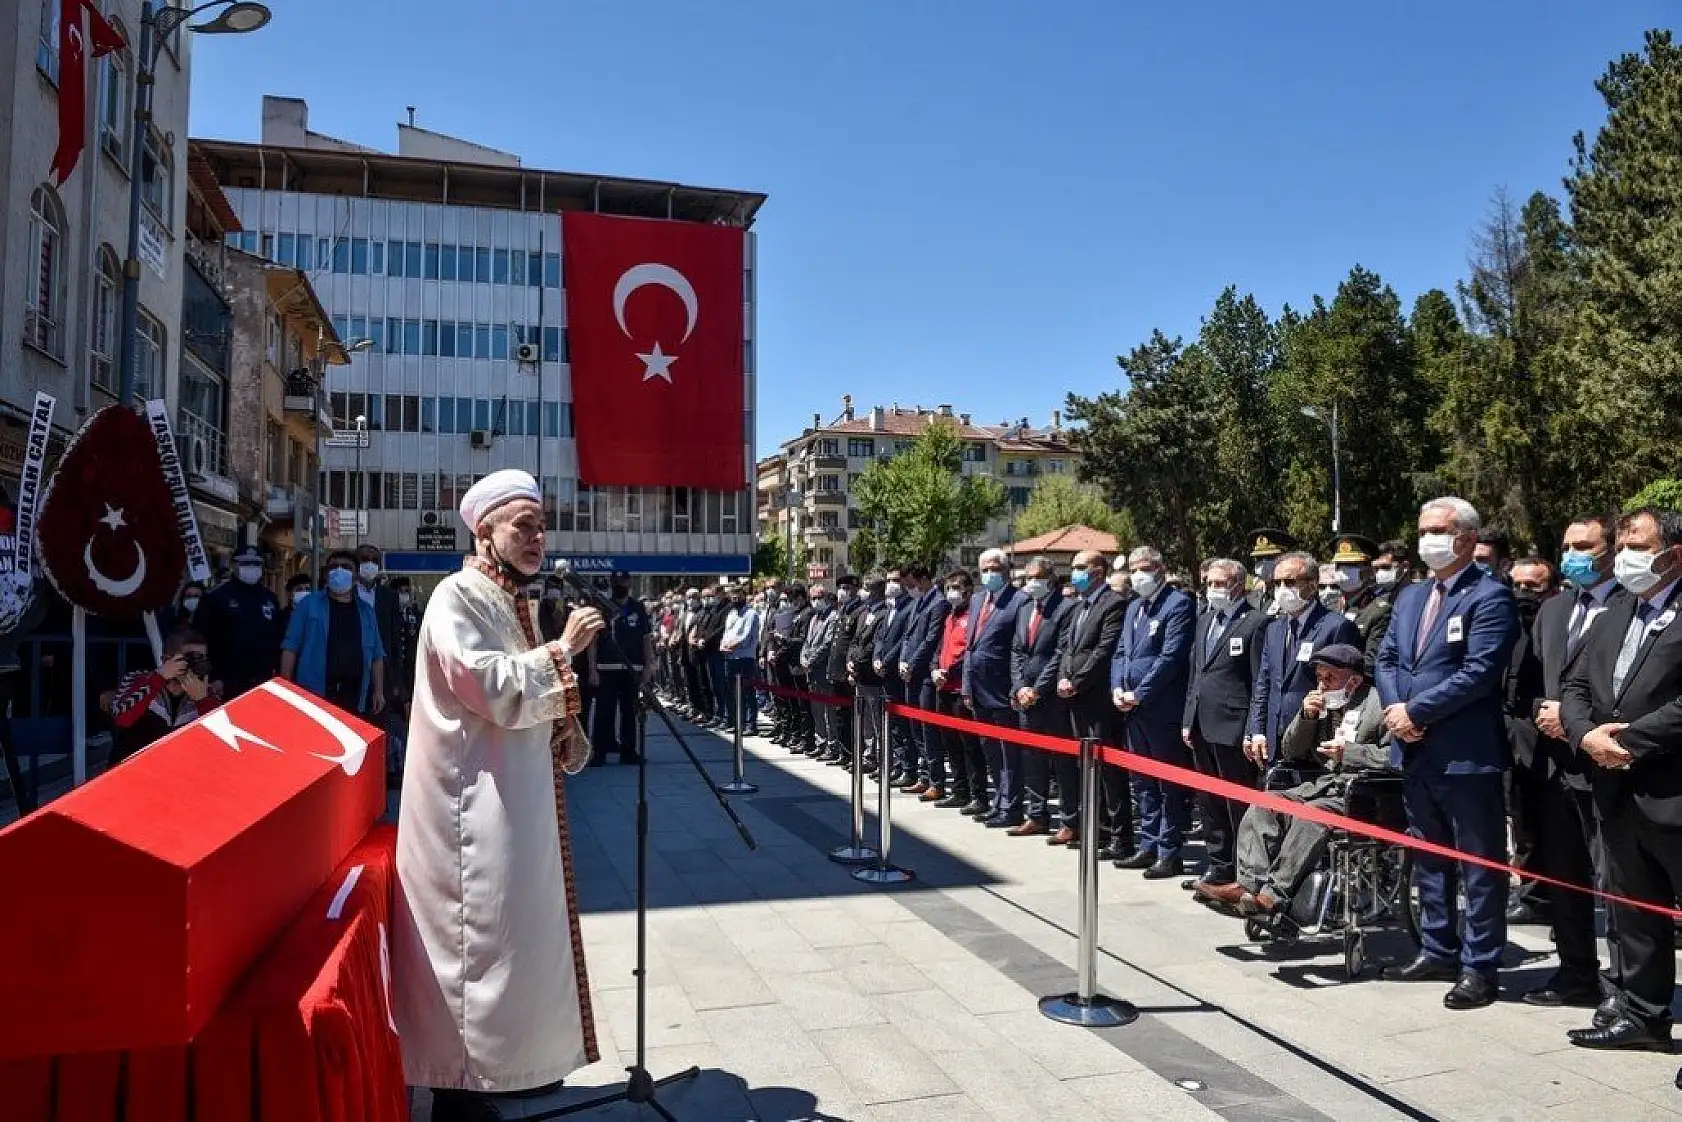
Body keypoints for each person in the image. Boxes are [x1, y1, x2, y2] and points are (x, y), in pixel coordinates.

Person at [392, 468, 606, 1118]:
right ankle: (464, 1084)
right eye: (524, 527)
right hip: (470, 808)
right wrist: (564, 651)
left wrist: (562, 724)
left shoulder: (508, 600)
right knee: (478, 948)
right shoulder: (457, 596)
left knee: (517, 941)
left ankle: (512, 1070)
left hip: (513, 797)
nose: (538, 538)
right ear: (484, 532)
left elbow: (522, 693)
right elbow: (488, 685)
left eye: (542, 527)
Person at [1375, 496, 1518, 1010]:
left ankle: (1480, 966)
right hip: (1415, 751)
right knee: (1429, 856)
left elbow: (1479, 672)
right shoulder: (1412, 596)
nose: (1427, 539)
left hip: (1465, 754)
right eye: (1422, 531)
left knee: (1478, 865)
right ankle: (1437, 947)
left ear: (1466, 538)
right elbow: (1387, 658)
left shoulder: (1490, 596)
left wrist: (1418, 712)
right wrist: (1396, 710)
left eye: (1438, 530)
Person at [1560, 507, 1682, 1060]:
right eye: (1624, 543)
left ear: (1673, 555)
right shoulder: (1614, 613)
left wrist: (1629, 740)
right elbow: (1575, 687)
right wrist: (1586, 736)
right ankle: (1643, 1016)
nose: (1626, 554)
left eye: (1639, 544)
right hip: (1615, 793)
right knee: (1635, 912)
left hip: (1672, 791)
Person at [1519, 513, 1627, 1012]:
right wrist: (1542, 715)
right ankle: (1575, 974)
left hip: (1607, 763)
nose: (1572, 555)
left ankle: (1626, 988)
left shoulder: (1630, 606)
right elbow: (1530, 682)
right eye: (1566, 545)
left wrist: (1577, 722)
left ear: (1610, 550)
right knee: (1565, 878)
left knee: (1618, 884)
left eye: (1584, 545)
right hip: (1554, 767)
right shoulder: (1553, 609)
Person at [1209, 643, 1394, 917]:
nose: (1322, 685)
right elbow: (1290, 751)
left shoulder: (1379, 705)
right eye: (1319, 677)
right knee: (1265, 802)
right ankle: (1248, 887)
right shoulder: (1322, 703)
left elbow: (1394, 758)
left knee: (1311, 815)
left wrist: (1350, 753)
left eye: (1330, 678)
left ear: (1354, 680)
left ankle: (1273, 896)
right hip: (1324, 786)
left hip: (1362, 794)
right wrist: (1306, 717)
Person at [1183, 558, 1268, 897]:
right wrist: (1188, 719)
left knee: (1237, 802)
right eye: (1210, 583)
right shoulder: (1205, 620)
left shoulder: (1256, 622)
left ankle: (1243, 871)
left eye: (1220, 583)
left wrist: (1251, 728)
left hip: (1233, 725)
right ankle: (1218, 866)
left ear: (1238, 585)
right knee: (1209, 800)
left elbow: (1258, 679)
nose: (1213, 589)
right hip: (1202, 724)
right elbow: (1197, 673)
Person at [1110, 546, 1195, 877]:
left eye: (1143, 568)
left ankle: (1168, 851)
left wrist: (1139, 694)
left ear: (1160, 569)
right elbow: (1121, 653)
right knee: (1142, 781)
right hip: (1132, 709)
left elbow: (1170, 658)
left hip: (1161, 707)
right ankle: (1148, 845)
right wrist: (1117, 688)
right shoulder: (1134, 606)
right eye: (1132, 569)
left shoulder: (1178, 604)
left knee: (1167, 782)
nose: (1137, 575)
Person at [1246, 551, 1361, 768]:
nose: (1282, 589)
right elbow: (1264, 684)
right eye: (1277, 583)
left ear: (1313, 584)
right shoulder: (1273, 629)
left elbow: (1347, 688)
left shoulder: (1336, 626)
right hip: (1273, 739)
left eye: (1290, 582)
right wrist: (1257, 731)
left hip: (1315, 741)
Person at [1054, 549, 1128, 852]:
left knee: (1109, 770)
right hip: (1076, 698)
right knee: (1087, 767)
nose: (1075, 573)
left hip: (1098, 699)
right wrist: (1063, 677)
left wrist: (1078, 682)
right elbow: (1068, 649)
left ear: (1098, 571)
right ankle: (1096, 830)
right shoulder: (1079, 606)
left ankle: (1118, 836)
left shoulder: (1114, 603)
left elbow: (1103, 651)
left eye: (1080, 567)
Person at [1008, 557, 1072, 837]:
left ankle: (1070, 821)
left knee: (1062, 763)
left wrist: (1037, 689)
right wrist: (1020, 686)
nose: (1031, 582)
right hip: (1026, 698)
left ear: (1051, 579)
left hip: (1052, 698)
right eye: (1028, 577)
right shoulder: (1025, 609)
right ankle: (1036, 815)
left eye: (1037, 577)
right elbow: (1017, 651)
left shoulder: (1067, 608)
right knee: (1032, 760)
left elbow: (1060, 654)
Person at [280, 549, 388, 717]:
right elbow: (290, 647)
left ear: (356, 576)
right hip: (314, 696)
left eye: (346, 567)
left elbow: (377, 655)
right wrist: (285, 688)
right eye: (333, 567)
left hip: (354, 696)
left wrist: (379, 692)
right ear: (326, 574)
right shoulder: (308, 605)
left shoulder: (367, 612)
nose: (339, 571)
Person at [965, 548, 1026, 827]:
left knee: (1008, 753)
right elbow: (971, 645)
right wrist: (967, 685)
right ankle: (998, 802)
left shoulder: (1019, 601)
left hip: (1003, 690)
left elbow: (1018, 648)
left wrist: (1016, 687)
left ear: (1006, 571)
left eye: (995, 569)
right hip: (977, 688)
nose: (990, 574)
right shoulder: (978, 599)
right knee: (990, 750)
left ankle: (1011, 808)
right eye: (985, 570)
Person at [101, 628, 221, 765]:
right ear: (167, 660)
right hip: (133, 769)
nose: (198, 665)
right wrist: (158, 678)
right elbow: (122, 718)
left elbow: (221, 741)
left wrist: (203, 700)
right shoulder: (138, 679)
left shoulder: (207, 694)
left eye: (202, 659)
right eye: (191, 658)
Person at [193, 544, 283, 701]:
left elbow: (277, 638)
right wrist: (213, 676)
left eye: (256, 564)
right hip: (226, 682)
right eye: (246, 563)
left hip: (262, 680)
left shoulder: (270, 599)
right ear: (234, 565)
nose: (251, 568)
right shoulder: (216, 598)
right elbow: (202, 638)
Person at [898, 563, 950, 795]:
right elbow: (908, 637)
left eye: (912, 584)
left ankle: (936, 781)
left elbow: (931, 640)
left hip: (925, 675)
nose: (910, 589)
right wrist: (902, 661)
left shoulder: (939, 604)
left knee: (928, 731)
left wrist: (912, 663)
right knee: (916, 729)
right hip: (910, 674)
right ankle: (924, 775)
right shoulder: (917, 603)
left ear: (923, 580)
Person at [591, 570, 653, 765]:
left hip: (632, 667)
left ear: (629, 583)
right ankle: (599, 753)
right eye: (616, 582)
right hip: (606, 667)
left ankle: (628, 752)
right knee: (604, 711)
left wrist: (648, 666)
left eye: (623, 582)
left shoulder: (638, 608)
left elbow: (646, 639)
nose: (620, 586)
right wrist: (592, 669)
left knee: (630, 712)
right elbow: (592, 641)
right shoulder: (603, 607)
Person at [927, 570, 977, 806]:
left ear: (968, 590)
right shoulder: (950, 617)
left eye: (956, 588)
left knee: (969, 745)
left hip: (959, 688)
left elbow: (969, 652)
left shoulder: (973, 617)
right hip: (943, 688)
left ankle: (977, 795)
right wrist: (935, 668)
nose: (952, 593)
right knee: (951, 744)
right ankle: (959, 791)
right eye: (948, 588)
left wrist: (949, 672)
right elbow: (940, 649)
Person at [873, 568, 915, 783]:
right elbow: (880, 637)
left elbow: (903, 641)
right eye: (888, 580)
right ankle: (897, 764)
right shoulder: (890, 607)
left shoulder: (909, 607)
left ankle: (909, 768)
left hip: (897, 673)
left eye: (896, 580)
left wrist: (886, 661)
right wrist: (876, 658)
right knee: (893, 725)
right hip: (884, 673)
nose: (891, 584)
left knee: (903, 724)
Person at [1331, 535, 1392, 674]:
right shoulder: (1332, 607)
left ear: (1368, 571)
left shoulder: (1379, 611)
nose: (1344, 571)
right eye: (1339, 565)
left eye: (1352, 565)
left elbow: (1371, 662)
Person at [721, 582, 763, 736]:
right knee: (734, 693)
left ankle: (751, 724)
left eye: (737, 597)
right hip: (730, 657)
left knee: (748, 692)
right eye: (733, 598)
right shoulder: (731, 614)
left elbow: (746, 636)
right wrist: (723, 645)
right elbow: (726, 632)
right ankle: (739, 722)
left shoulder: (751, 614)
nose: (735, 600)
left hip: (745, 657)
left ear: (743, 596)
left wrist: (731, 646)